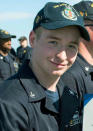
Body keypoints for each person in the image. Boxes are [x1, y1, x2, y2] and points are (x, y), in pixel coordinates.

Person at [0, 2, 90, 131]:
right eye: (53, 42)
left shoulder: (70, 95)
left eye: (71, 46)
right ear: (32, 39)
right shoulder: (7, 103)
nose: (62, 56)